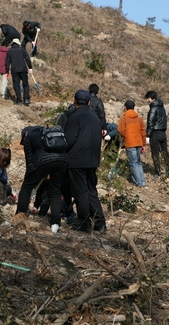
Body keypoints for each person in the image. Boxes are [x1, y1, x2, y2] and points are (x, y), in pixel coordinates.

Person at [64, 90, 106, 233]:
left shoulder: (74, 117)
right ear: (89, 102)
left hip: (77, 160)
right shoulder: (95, 118)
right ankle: (100, 223)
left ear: (74, 101)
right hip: (93, 160)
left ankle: (84, 223)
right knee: (91, 191)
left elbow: (68, 140)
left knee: (80, 192)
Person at [12, 126, 68, 233]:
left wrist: (31, 180)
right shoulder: (48, 134)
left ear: (25, 134)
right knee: (55, 191)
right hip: (63, 161)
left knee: (26, 186)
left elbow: (30, 161)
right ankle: (55, 224)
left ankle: (20, 216)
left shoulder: (29, 137)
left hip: (44, 161)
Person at [117, 100, 147, 187]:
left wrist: (126, 136)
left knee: (133, 163)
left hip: (130, 143)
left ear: (125, 107)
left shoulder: (124, 118)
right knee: (138, 162)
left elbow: (120, 130)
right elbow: (143, 132)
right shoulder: (139, 119)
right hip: (139, 143)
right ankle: (142, 181)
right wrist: (143, 144)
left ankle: (138, 182)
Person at [145, 90, 169, 178]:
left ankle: (157, 173)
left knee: (155, 154)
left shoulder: (153, 109)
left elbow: (150, 123)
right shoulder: (162, 108)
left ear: (152, 99)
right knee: (165, 153)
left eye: (148, 98)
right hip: (163, 133)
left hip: (155, 134)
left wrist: (148, 135)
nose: (147, 100)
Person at [5, 39, 33, 106]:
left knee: (16, 85)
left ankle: (19, 100)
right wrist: (30, 67)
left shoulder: (9, 51)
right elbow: (27, 59)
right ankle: (26, 99)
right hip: (23, 69)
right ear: (18, 44)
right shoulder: (22, 50)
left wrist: (7, 71)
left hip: (14, 70)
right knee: (25, 84)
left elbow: (7, 63)